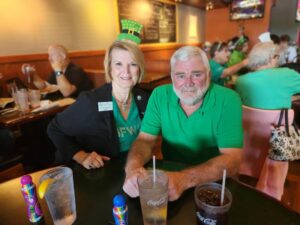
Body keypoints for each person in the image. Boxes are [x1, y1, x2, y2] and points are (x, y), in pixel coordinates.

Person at [122, 46, 243, 201]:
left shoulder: (229, 99)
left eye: (196, 74)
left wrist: (184, 179)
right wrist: (133, 166)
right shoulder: (159, 95)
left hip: (212, 183)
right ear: (172, 77)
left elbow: (232, 159)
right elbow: (145, 140)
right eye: (180, 76)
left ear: (209, 74)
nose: (188, 83)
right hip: (169, 179)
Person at [47, 21, 149, 170]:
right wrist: (81, 156)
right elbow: (54, 128)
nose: (126, 72)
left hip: (135, 168)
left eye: (133, 64)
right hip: (100, 173)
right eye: (118, 64)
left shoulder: (144, 99)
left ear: (139, 69)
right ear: (109, 67)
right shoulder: (91, 101)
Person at [236, 41, 300, 109]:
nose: (278, 60)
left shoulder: (241, 81)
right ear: (271, 58)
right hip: (280, 119)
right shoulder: (288, 74)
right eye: (278, 56)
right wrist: (297, 97)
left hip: (248, 119)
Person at [21, 44, 93, 98]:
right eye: (49, 56)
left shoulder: (76, 71)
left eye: (52, 55)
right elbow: (45, 87)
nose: (49, 59)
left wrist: (58, 70)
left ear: (63, 56)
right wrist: (33, 75)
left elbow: (67, 92)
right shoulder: (57, 72)